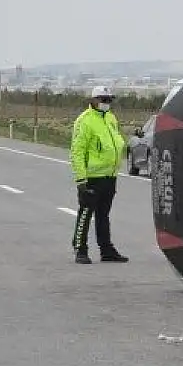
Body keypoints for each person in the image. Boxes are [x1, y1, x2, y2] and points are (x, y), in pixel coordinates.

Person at [70, 86, 130, 264]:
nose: (106, 103)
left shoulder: (111, 119)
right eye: (103, 100)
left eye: (109, 100)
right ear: (94, 100)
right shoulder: (85, 120)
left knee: (103, 215)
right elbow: (77, 151)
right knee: (85, 214)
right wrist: (81, 180)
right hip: (91, 177)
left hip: (109, 176)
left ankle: (106, 250)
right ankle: (80, 249)